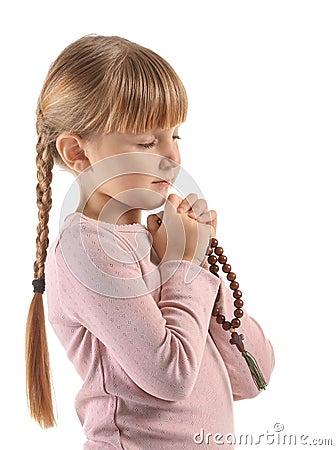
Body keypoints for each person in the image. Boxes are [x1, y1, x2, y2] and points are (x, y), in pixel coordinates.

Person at [25, 34, 275, 449]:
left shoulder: (156, 241)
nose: (172, 158)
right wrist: (184, 265)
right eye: (146, 142)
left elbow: (253, 377)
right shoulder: (86, 248)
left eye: (175, 136)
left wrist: (199, 261)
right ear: (78, 153)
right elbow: (170, 376)